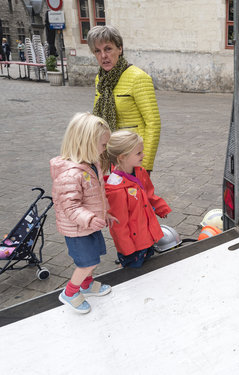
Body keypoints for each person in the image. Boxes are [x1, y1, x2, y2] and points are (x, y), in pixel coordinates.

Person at [50, 113, 118, 314]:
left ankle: (86, 285)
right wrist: (89, 218)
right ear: (86, 143)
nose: (105, 149)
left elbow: (98, 193)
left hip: (89, 225)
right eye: (103, 145)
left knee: (93, 256)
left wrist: (104, 213)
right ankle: (70, 292)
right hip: (77, 229)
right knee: (88, 261)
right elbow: (69, 207)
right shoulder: (71, 174)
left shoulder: (92, 166)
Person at [87, 25, 161, 174]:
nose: (103, 56)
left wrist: (144, 166)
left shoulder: (138, 78)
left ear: (119, 49)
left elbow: (153, 123)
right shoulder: (100, 79)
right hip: (109, 155)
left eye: (108, 49)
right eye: (97, 51)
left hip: (132, 157)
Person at [105, 130, 171, 268]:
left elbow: (149, 194)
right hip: (133, 246)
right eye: (138, 153)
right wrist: (127, 249)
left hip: (147, 236)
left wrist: (160, 207)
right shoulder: (116, 188)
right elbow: (119, 224)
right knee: (134, 272)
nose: (143, 155)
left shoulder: (139, 172)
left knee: (148, 267)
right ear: (122, 157)